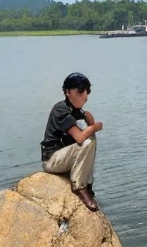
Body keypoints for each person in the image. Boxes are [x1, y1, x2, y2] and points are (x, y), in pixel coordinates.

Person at [41, 73, 103, 212]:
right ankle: (80, 186)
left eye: (86, 92)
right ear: (68, 92)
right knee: (88, 141)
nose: (85, 96)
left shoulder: (75, 110)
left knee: (90, 141)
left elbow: (88, 134)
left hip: (63, 159)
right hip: (52, 161)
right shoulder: (61, 110)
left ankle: (88, 185)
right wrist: (94, 127)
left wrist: (89, 118)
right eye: (80, 92)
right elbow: (80, 137)